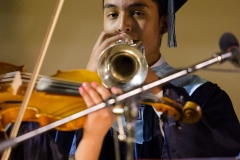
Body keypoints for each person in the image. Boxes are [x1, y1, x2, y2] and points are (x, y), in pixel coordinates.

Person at [67, 0, 240, 159]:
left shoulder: (201, 95)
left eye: (137, 13)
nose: (122, 25)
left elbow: (220, 152)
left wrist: (157, 89)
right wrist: (85, 84)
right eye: (113, 14)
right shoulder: (82, 93)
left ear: (164, 24)